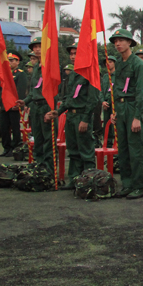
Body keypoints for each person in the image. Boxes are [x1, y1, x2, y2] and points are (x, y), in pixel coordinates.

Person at [46, 43, 100, 189]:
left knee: (86, 151)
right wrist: (60, 111)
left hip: (82, 116)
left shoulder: (90, 73)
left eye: (76, 53)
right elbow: (69, 97)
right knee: (74, 150)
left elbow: (93, 99)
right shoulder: (73, 74)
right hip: (70, 116)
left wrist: (85, 119)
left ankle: (89, 180)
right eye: (71, 54)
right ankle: (75, 180)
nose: (72, 56)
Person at [109, 29, 143, 199]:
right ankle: (127, 183)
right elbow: (117, 89)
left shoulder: (138, 65)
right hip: (121, 108)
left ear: (130, 42)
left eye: (122, 40)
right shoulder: (118, 63)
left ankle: (138, 185)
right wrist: (115, 111)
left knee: (135, 149)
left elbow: (141, 92)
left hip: (133, 107)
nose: (118, 44)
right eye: (116, 41)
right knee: (123, 149)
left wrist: (137, 117)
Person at [17, 38, 56, 174]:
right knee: (38, 139)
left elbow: (55, 88)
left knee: (48, 140)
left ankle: (49, 170)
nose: (37, 49)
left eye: (40, 46)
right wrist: (25, 101)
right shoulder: (35, 68)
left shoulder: (50, 66)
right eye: (35, 47)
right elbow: (34, 90)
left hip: (46, 106)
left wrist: (52, 109)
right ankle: (39, 168)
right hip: (35, 106)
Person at [0, 52, 28, 157]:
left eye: (12, 60)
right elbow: (2, 90)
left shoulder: (20, 74)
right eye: (8, 60)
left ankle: (15, 148)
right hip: (4, 105)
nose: (10, 63)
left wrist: (18, 103)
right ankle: (6, 148)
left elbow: (21, 90)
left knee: (15, 128)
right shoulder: (6, 73)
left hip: (14, 105)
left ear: (17, 62)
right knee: (4, 128)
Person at [101, 56, 117, 145]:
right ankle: (107, 143)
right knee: (106, 124)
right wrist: (102, 101)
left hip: (114, 103)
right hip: (106, 104)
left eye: (110, 62)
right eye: (107, 62)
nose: (108, 64)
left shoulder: (117, 75)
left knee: (114, 124)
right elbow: (101, 90)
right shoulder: (105, 77)